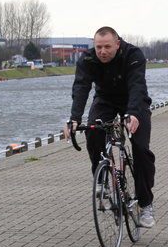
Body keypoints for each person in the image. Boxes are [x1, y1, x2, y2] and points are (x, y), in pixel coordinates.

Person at [64, 26, 156, 228]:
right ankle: (102, 178)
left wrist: (133, 113)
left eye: (107, 47)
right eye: (98, 47)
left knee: (140, 149)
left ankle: (145, 203)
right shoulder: (87, 59)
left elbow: (137, 85)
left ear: (117, 44)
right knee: (93, 132)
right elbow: (81, 88)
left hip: (133, 101)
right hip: (105, 100)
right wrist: (74, 119)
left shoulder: (133, 54)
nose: (103, 52)